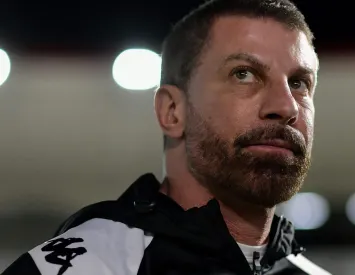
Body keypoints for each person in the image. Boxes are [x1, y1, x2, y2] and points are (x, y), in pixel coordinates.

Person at [3, 0, 331, 274]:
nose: (286, 106)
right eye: (243, 74)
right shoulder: (87, 265)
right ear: (172, 111)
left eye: (299, 83)